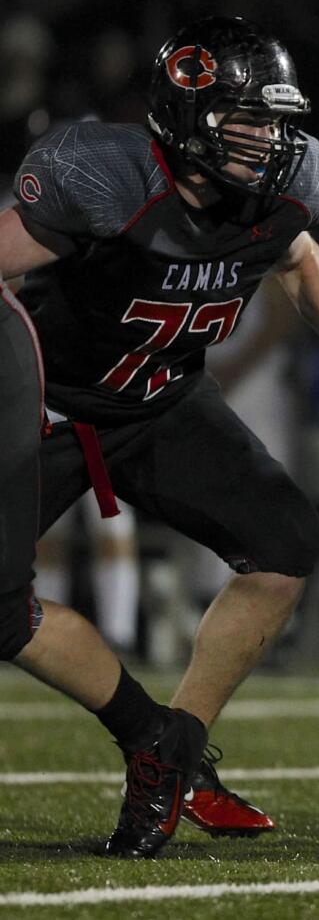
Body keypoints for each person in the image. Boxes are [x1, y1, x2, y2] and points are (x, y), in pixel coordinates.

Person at [0, 16, 319, 856]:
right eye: (245, 120)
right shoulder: (106, 180)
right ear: (184, 112)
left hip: (164, 399)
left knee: (287, 544)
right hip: (55, 409)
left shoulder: (285, 189)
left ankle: (177, 753)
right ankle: (149, 737)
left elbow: (298, 255)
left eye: (275, 122)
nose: (266, 141)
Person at [1, 280, 204, 857]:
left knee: (102, 538)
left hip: (96, 402)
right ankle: (149, 731)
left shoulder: (97, 212)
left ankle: (143, 715)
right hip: (63, 394)